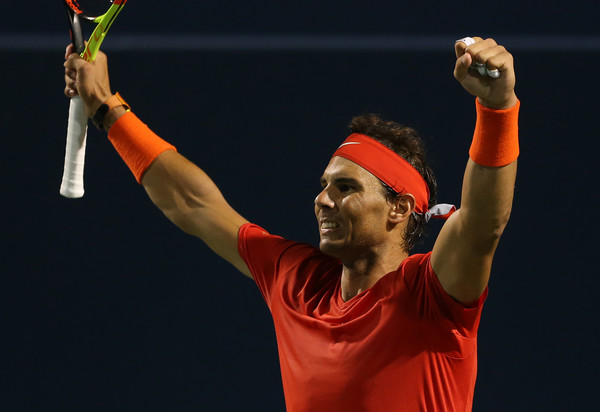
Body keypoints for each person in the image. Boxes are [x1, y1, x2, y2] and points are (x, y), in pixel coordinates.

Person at [63, 35, 519, 412]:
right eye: (324, 185)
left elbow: (484, 224)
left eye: (345, 188)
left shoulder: (432, 293)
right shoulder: (296, 281)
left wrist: (497, 109)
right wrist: (105, 106)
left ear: (398, 209)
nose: (322, 199)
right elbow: (193, 203)